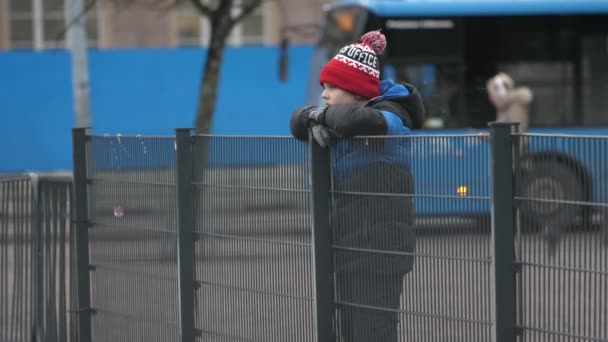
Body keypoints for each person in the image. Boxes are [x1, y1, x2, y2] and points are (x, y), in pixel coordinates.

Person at [289, 30, 425, 341]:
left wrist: (322, 117)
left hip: (379, 252)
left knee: (373, 332)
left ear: (357, 92)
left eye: (332, 88)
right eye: (323, 87)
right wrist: (313, 116)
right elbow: (296, 121)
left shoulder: (392, 115)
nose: (323, 95)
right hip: (350, 247)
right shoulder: (345, 113)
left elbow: (354, 122)